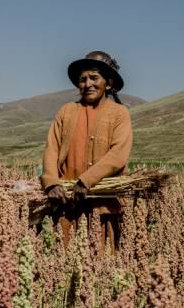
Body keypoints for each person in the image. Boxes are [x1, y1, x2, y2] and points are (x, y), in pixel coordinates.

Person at [41, 51, 133, 250]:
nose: (87, 84)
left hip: (102, 207)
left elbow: (118, 155)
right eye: (82, 79)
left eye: (94, 78)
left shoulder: (119, 113)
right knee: (64, 266)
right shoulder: (66, 111)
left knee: (101, 267)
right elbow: (51, 149)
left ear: (108, 83)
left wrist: (86, 180)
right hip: (67, 206)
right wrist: (51, 183)